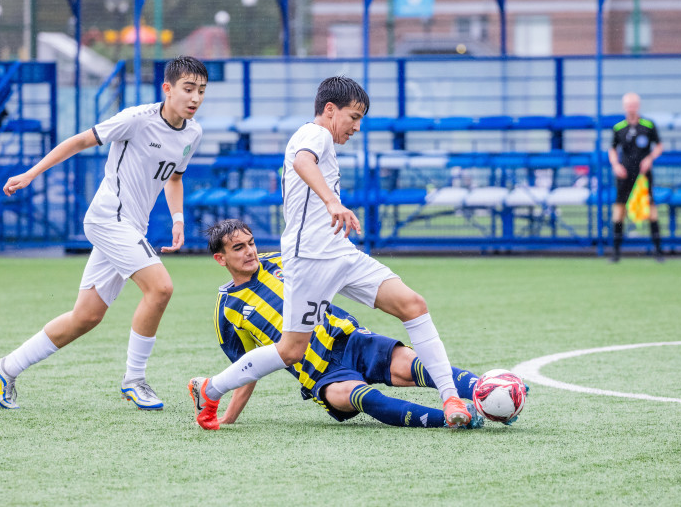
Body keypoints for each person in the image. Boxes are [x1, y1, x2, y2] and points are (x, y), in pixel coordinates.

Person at [190, 76, 472, 430]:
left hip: (340, 252)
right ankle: (211, 388)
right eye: (353, 117)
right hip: (309, 259)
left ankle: (450, 396)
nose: (357, 127)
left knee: (413, 305)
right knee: (292, 350)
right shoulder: (315, 134)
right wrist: (332, 202)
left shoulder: (321, 140)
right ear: (329, 109)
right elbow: (302, 163)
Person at [0, 55, 208, 410]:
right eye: (188, 89)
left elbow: (175, 178)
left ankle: (5, 368)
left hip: (131, 226)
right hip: (108, 218)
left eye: (201, 91)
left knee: (86, 317)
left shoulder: (193, 133)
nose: (195, 97)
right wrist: (31, 173)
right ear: (167, 89)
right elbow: (78, 142)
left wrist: (177, 218)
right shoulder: (136, 119)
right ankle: (134, 380)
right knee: (161, 288)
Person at [190, 219, 485, 429]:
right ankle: (456, 420)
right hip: (319, 374)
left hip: (350, 340)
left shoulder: (283, 261)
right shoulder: (227, 310)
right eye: (238, 248)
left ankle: (489, 389)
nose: (249, 251)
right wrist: (229, 417)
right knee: (365, 398)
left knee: (416, 366)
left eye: (251, 243)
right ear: (220, 258)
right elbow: (247, 367)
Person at [607, 92, 665, 263]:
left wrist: (650, 158)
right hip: (625, 175)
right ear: (624, 107)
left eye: (633, 105)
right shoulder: (618, 128)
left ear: (638, 106)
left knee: (651, 211)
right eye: (628, 105)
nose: (631, 108)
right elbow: (612, 149)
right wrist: (615, 165)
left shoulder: (648, 125)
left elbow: (659, 146)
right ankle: (616, 253)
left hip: (643, 176)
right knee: (619, 211)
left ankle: (658, 252)